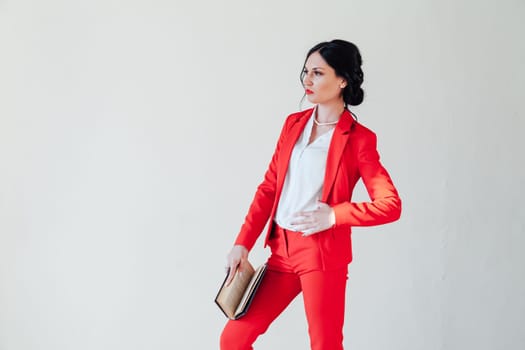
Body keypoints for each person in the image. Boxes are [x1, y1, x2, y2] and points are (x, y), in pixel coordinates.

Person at [219, 39, 402, 350]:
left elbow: (390, 205)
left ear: (342, 79)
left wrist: (334, 215)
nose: (307, 80)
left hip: (321, 255)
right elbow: (269, 187)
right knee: (233, 339)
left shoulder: (359, 140)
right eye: (305, 71)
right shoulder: (293, 124)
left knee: (325, 344)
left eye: (318, 73)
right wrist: (243, 243)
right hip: (281, 252)